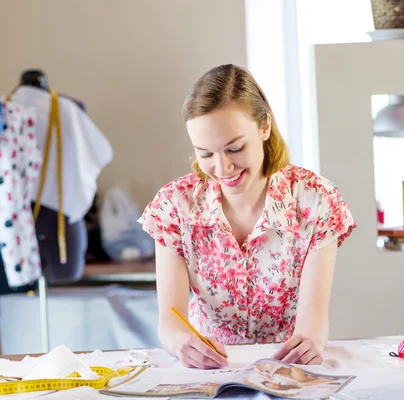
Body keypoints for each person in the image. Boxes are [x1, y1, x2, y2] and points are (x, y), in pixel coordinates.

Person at [138, 64, 356, 369]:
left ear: (264, 126)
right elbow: (170, 322)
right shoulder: (175, 207)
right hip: (209, 374)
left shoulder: (316, 200)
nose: (223, 168)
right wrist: (182, 343)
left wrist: (310, 343)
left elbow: (313, 321)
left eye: (235, 148)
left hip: (288, 370)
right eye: (206, 154)